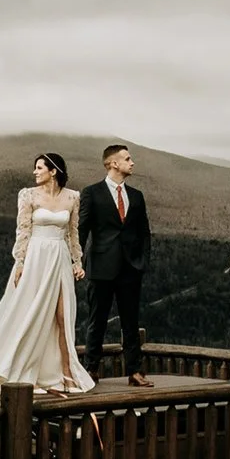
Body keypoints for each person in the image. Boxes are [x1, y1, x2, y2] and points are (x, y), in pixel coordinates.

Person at [0, 152, 95, 397]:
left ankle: (67, 374)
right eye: (35, 168)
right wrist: (20, 263)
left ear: (53, 171)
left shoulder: (72, 197)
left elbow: (73, 232)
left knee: (62, 316)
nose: (35, 172)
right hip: (36, 258)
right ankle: (23, 372)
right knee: (30, 313)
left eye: (39, 168)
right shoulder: (28, 195)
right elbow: (23, 231)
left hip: (59, 257)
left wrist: (77, 261)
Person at [79, 144, 152, 385]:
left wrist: (143, 262)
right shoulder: (92, 193)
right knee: (96, 320)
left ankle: (134, 372)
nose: (132, 163)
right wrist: (76, 261)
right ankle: (90, 370)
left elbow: (144, 233)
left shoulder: (137, 196)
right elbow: (82, 230)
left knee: (131, 322)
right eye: (127, 159)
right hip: (100, 266)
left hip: (131, 268)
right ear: (113, 164)